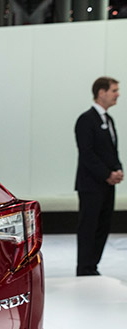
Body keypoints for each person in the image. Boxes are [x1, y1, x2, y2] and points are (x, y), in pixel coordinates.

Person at [74, 76, 122, 276]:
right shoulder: (86, 120)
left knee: (103, 225)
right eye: (114, 90)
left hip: (107, 184)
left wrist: (118, 170)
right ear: (101, 93)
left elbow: (111, 150)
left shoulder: (109, 120)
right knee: (89, 226)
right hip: (91, 185)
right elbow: (87, 153)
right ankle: (84, 267)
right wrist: (106, 174)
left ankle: (93, 265)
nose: (117, 94)